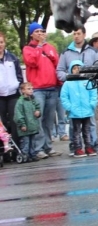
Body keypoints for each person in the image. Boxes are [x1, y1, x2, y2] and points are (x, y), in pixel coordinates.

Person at [57, 26, 98, 154]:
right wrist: (70, 77)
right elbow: (59, 71)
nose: (76, 36)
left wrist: (91, 78)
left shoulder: (93, 51)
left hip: (88, 90)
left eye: (78, 33)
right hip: (73, 93)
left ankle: (93, 145)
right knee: (74, 125)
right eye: (74, 34)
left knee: (91, 122)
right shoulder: (66, 52)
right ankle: (75, 147)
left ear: (84, 34)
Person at [22, 22, 62, 159]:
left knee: (49, 120)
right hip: (38, 89)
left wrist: (59, 83)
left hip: (52, 88)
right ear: (31, 34)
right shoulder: (28, 49)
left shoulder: (50, 47)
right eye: (37, 31)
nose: (40, 33)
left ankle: (48, 147)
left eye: (42, 31)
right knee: (38, 119)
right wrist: (39, 47)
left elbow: (57, 65)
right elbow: (32, 62)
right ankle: (38, 149)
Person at [60, 60, 98, 157]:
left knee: (87, 130)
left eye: (79, 68)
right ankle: (77, 149)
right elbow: (64, 97)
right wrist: (69, 107)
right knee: (76, 131)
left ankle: (89, 147)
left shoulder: (88, 81)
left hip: (87, 110)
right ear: (71, 70)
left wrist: (91, 104)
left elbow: (93, 93)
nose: (77, 70)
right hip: (74, 112)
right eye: (74, 68)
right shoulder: (67, 83)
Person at [0, 31, 23, 162]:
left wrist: (17, 84)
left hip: (13, 94)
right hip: (0, 96)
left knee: (15, 122)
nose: (0, 45)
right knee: (2, 124)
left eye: (1, 42)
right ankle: (4, 152)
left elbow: (19, 74)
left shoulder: (12, 58)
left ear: (5, 43)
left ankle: (15, 151)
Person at [13, 82, 42, 163]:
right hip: (25, 126)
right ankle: (25, 155)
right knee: (26, 142)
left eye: (32, 89)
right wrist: (22, 124)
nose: (31, 90)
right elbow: (18, 114)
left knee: (33, 142)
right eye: (29, 89)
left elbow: (38, 107)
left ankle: (32, 154)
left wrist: (38, 112)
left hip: (33, 126)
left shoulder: (33, 100)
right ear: (23, 90)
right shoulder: (20, 102)